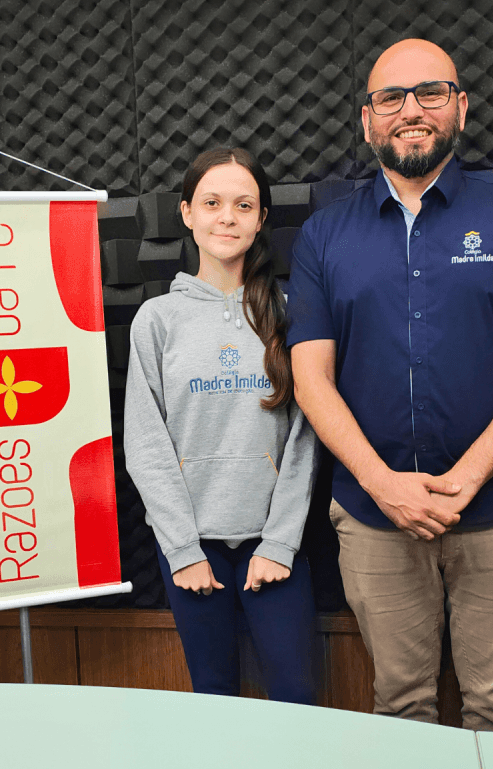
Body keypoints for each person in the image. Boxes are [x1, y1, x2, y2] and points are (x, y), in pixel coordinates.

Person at [286, 39, 493, 729]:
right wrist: (383, 483)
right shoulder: (326, 235)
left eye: (430, 93)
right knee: (399, 710)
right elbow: (310, 378)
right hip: (373, 518)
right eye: (390, 97)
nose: (410, 110)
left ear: (460, 107)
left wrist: (469, 476)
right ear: (367, 120)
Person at [125, 147, 318, 703]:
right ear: (187, 213)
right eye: (211, 203)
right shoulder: (157, 319)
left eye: (242, 205)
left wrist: (279, 542)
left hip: (274, 543)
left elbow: (307, 436)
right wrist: (182, 549)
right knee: (213, 698)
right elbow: (145, 443)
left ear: (260, 219)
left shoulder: (286, 314)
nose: (226, 217)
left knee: (296, 696)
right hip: (193, 549)